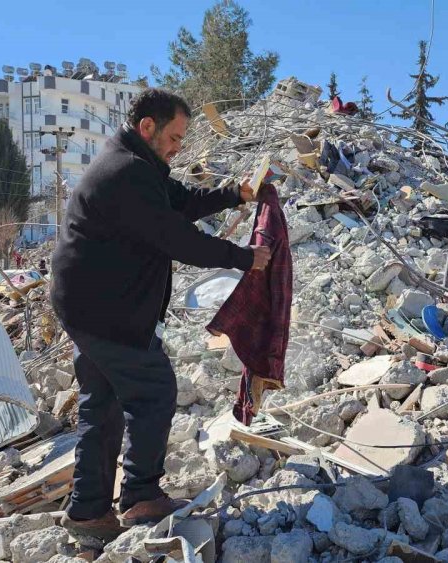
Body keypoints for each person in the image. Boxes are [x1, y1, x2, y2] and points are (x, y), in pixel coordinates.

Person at [51, 88, 270, 539]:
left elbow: (181, 200)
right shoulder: (126, 173)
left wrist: (235, 194)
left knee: (103, 405)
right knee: (154, 390)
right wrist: (246, 258)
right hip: (104, 311)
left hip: (90, 304)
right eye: (173, 136)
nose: (177, 147)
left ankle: (88, 513)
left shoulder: (139, 166)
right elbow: (179, 238)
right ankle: (140, 498)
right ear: (146, 126)